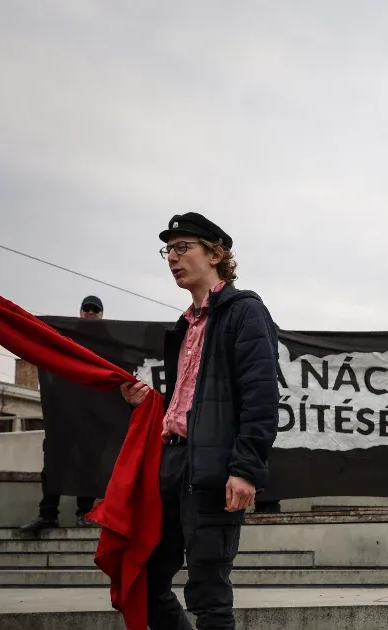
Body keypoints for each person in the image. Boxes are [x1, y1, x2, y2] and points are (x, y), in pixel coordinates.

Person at [120, 212, 279, 630]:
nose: (172, 258)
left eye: (182, 247)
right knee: (145, 578)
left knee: (208, 591)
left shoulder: (244, 313)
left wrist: (245, 470)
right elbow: (189, 400)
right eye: (168, 250)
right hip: (170, 463)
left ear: (216, 254)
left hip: (211, 468)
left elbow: (260, 397)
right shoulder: (184, 325)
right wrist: (148, 404)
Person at [19, 295, 105, 534]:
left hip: (91, 417)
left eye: (94, 310)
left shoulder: (107, 343)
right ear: (80, 312)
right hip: (63, 415)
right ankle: (48, 514)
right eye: (86, 309)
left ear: (101, 315)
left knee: (88, 464)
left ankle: (84, 513)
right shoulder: (65, 338)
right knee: (53, 464)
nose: (89, 313)